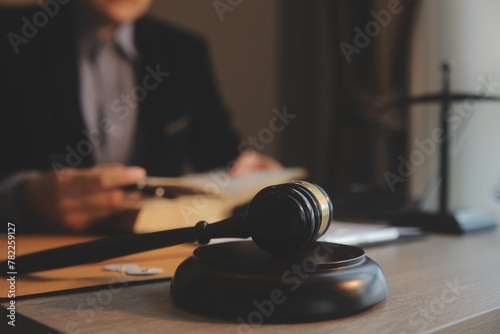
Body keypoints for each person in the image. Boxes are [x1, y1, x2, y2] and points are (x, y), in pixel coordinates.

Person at [0, 0, 281, 232]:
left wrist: (248, 171)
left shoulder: (184, 52)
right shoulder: (12, 36)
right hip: (29, 260)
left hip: (153, 261)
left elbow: (220, 153)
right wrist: (25, 199)